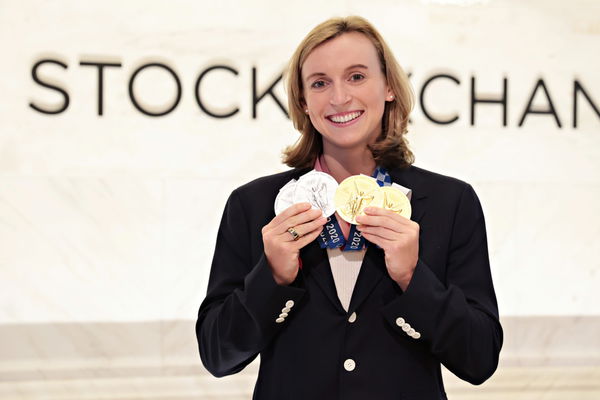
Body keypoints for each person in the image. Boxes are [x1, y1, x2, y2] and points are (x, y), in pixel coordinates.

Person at [196, 16, 502, 400]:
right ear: (304, 102)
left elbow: (480, 359)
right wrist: (270, 277)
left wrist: (412, 278)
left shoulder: (450, 203)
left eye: (356, 77)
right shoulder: (254, 205)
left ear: (388, 86)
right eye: (320, 83)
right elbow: (217, 356)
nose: (339, 98)